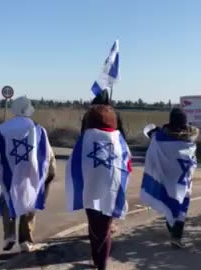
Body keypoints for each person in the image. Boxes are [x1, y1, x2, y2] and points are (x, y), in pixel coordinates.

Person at [66, 103, 132, 270]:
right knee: (104, 228)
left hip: (89, 188)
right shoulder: (119, 140)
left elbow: (73, 164)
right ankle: (99, 262)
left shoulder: (84, 139)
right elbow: (127, 165)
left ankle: (99, 262)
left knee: (95, 226)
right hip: (112, 189)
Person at [0, 96, 56, 253]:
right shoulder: (38, 129)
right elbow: (48, 154)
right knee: (29, 201)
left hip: (9, 172)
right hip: (31, 172)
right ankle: (25, 240)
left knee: (8, 199)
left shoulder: (3, 129)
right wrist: (51, 171)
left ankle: (9, 235)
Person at [140, 108, 199, 248]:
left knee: (168, 202)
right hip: (182, 178)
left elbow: (151, 134)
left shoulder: (159, 138)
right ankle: (176, 236)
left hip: (166, 177)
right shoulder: (190, 139)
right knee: (182, 204)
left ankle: (174, 231)